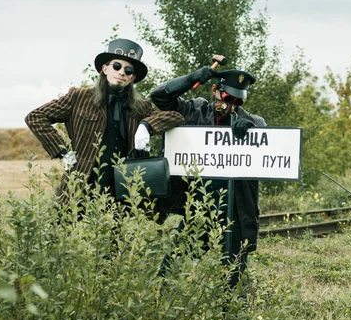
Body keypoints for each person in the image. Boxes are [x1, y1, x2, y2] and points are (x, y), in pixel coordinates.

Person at [25, 38, 184, 201]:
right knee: (69, 225)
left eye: (128, 70)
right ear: (105, 68)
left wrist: (146, 125)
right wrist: (62, 152)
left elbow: (175, 116)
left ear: (132, 77)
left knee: (121, 226)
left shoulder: (140, 107)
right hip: (82, 185)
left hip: (123, 191)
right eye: (117, 66)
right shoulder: (79, 97)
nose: (122, 72)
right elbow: (36, 117)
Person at [150, 66, 265, 288]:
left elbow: (264, 153)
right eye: (228, 97)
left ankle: (229, 314)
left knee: (233, 277)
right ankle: (159, 309)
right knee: (170, 269)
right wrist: (192, 77)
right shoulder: (195, 111)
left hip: (235, 210)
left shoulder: (255, 122)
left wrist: (251, 135)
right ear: (215, 90)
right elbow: (159, 97)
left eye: (238, 101)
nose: (232, 104)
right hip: (199, 207)